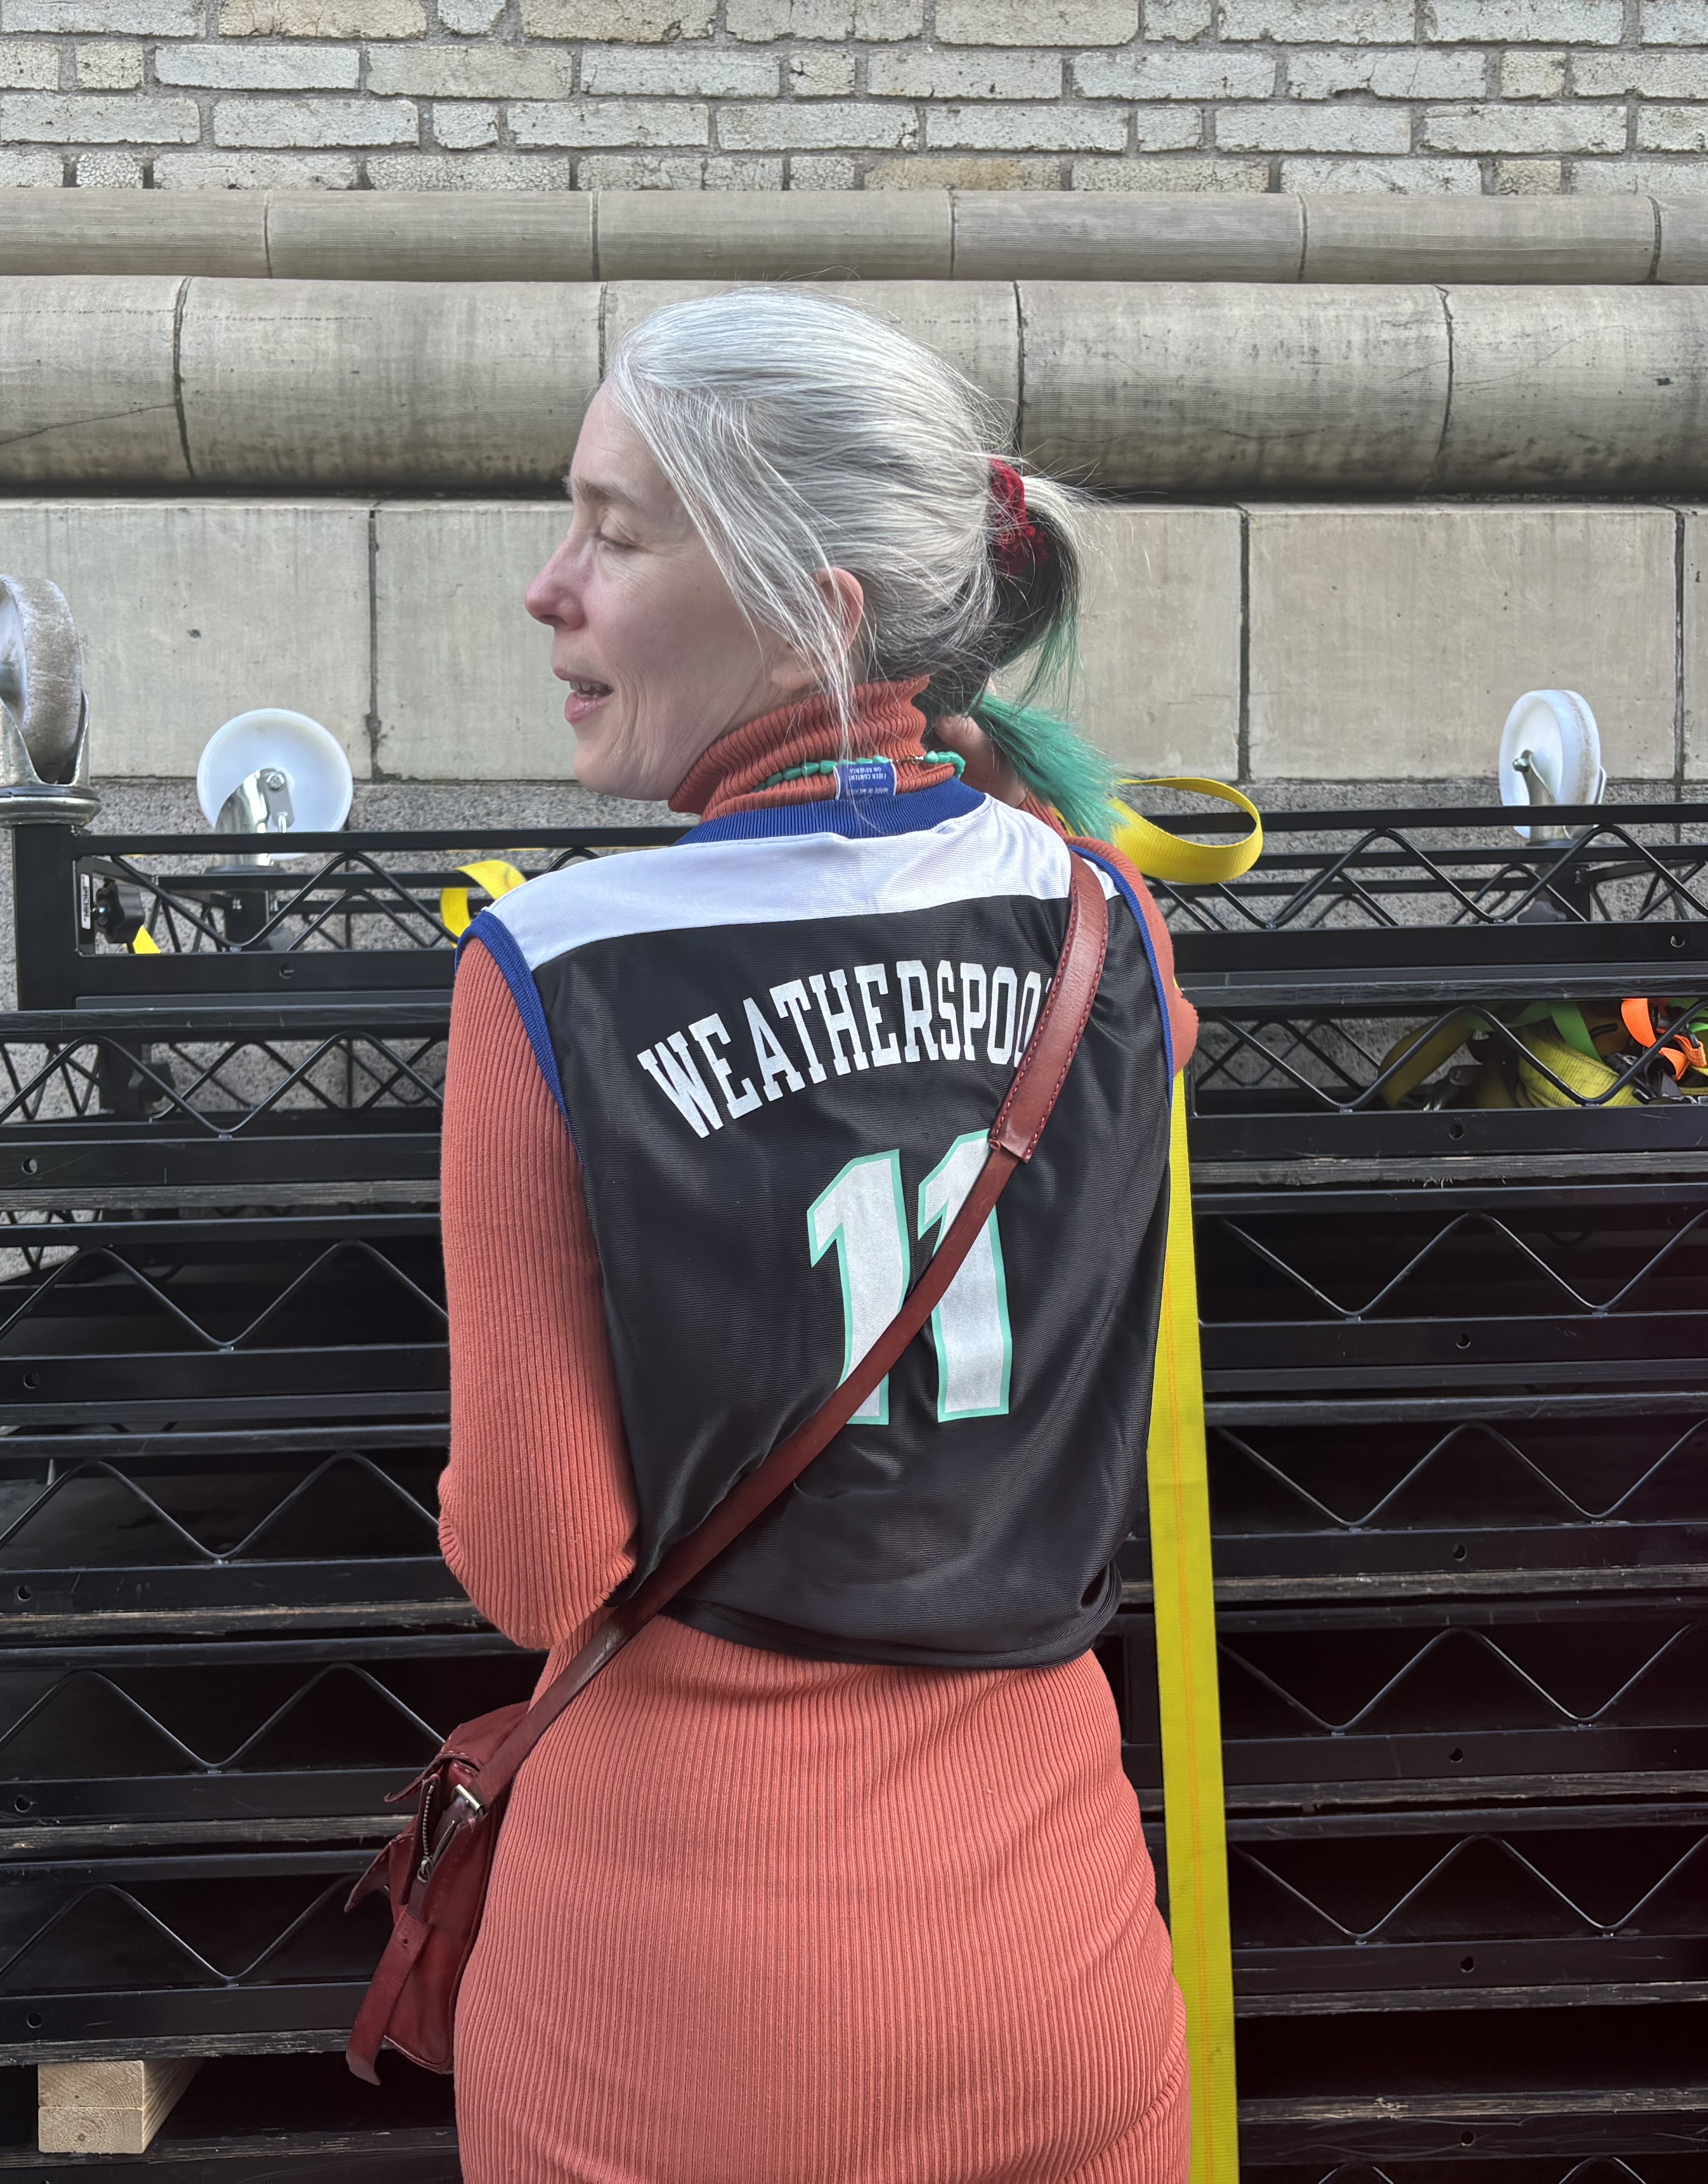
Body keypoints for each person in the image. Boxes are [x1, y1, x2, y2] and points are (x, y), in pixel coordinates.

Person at [430, 290, 1196, 2180]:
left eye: (616, 529)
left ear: (812, 607)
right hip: (1061, 1942)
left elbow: (541, 1567)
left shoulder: (551, 969)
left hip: (682, 1982)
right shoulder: (1114, 934)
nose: (550, 586)